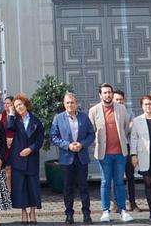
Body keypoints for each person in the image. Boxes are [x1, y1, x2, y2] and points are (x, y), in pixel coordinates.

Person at [88, 83, 133, 223]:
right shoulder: (94, 110)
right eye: (105, 93)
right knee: (105, 182)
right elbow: (91, 130)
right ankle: (105, 210)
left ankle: (123, 210)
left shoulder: (121, 108)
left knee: (119, 182)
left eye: (109, 92)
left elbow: (126, 127)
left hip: (120, 152)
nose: (108, 95)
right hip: (104, 153)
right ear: (100, 95)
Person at [50, 92, 95, 225]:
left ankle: (87, 214)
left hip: (81, 157)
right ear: (64, 104)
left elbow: (91, 135)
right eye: (67, 103)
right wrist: (67, 145)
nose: (70, 105)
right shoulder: (58, 118)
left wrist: (82, 144)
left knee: (83, 187)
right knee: (68, 188)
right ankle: (69, 214)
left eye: (72, 102)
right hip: (66, 157)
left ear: (76, 104)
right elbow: (54, 136)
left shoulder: (84, 117)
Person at [6, 92, 44, 224]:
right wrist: (11, 113)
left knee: (33, 187)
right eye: (16, 106)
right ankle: (23, 212)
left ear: (25, 104)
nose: (19, 108)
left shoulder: (36, 121)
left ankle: (32, 212)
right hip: (18, 159)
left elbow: (39, 141)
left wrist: (30, 149)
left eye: (20, 105)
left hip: (31, 157)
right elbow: (9, 127)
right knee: (20, 187)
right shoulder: (15, 121)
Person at [111, 90, 139, 213]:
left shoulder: (129, 113)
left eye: (121, 99)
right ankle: (115, 203)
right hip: (113, 148)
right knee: (114, 177)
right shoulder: (109, 113)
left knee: (130, 176)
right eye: (117, 99)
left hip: (126, 147)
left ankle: (132, 202)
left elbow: (131, 132)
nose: (119, 101)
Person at [0, 96, 14, 191]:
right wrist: (5, 140)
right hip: (5, 146)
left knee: (14, 171)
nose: (6, 105)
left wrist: (12, 139)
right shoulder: (1, 116)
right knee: (7, 170)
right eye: (5, 103)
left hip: (15, 145)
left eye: (8, 103)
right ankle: (8, 193)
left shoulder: (16, 116)